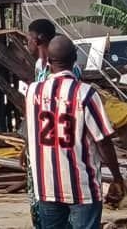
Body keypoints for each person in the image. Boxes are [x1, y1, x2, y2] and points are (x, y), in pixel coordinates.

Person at [26, 35, 124, 229]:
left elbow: (31, 129)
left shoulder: (33, 92)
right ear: (75, 60)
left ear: (49, 62)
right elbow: (103, 140)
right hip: (82, 187)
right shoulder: (85, 93)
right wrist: (117, 177)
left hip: (47, 186)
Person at [24, 19, 82, 227]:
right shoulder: (41, 67)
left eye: (28, 38)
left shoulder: (67, 72)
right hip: (42, 149)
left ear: (38, 39)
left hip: (61, 150)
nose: (26, 44)